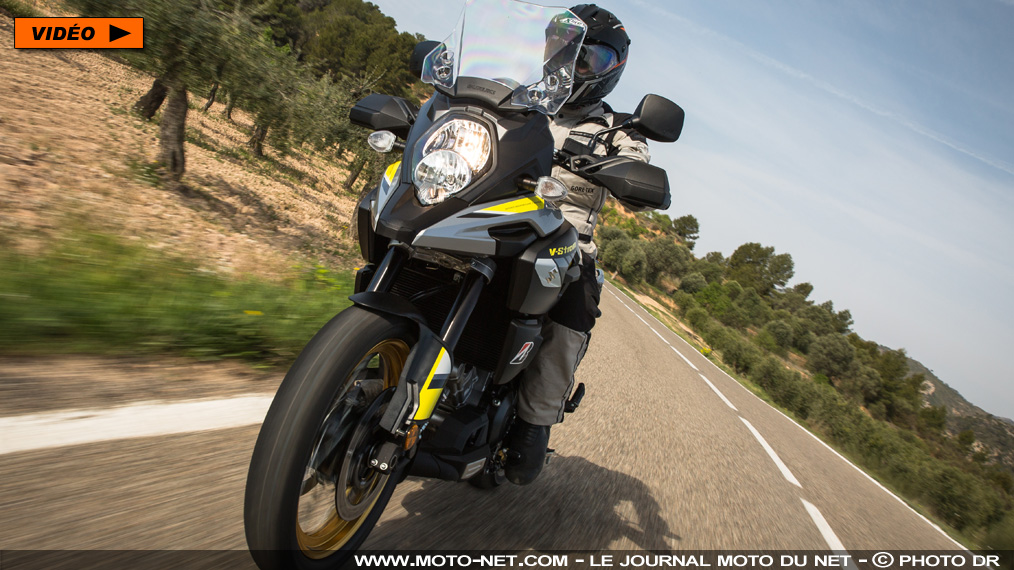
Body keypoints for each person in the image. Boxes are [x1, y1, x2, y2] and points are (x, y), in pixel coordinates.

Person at [506, 4, 653, 485]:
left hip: (563, 239)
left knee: (574, 307)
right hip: (491, 210)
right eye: (567, 51)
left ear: (612, 69)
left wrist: (628, 174)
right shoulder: (515, 95)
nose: (574, 65)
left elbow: (639, 171)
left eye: (589, 58)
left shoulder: (617, 130)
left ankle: (534, 423)